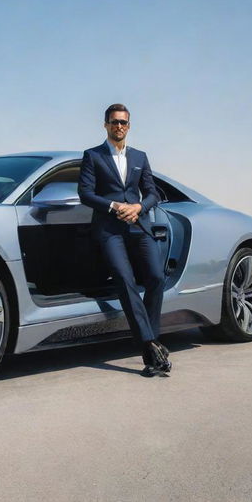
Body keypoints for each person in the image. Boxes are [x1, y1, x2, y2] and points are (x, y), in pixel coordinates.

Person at [78, 103, 171, 376]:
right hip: (110, 230)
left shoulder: (140, 157)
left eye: (124, 123)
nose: (119, 127)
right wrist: (114, 206)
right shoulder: (92, 156)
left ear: (129, 126)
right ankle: (150, 347)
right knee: (124, 279)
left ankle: (151, 338)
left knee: (156, 278)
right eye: (114, 122)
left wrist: (139, 208)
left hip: (139, 226)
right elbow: (85, 193)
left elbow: (152, 193)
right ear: (105, 125)